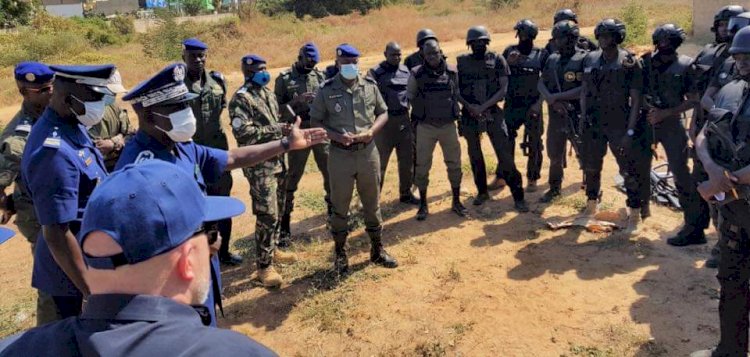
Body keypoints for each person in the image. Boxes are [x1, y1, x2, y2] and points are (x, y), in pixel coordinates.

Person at [116, 63, 327, 322]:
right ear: (149, 117)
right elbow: (141, 245)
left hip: (200, 266)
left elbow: (230, 157)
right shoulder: (137, 168)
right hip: (171, 288)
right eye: (178, 107)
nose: (188, 112)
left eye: (187, 104)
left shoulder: (180, 146)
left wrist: (285, 144)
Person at [0, 161, 277, 356]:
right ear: (187, 260)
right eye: (209, 233)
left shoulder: (14, 348)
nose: (214, 243)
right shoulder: (240, 352)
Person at [21, 64, 115, 325]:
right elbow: (57, 232)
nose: (100, 105)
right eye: (95, 98)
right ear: (66, 98)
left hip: (88, 259)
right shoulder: (53, 151)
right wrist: (90, 289)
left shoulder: (72, 124)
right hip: (70, 279)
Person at [310, 44, 398, 275]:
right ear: (337, 63)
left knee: (372, 203)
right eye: (346, 62)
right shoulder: (326, 89)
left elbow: (383, 112)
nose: (351, 66)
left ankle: (377, 250)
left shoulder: (369, 86)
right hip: (340, 155)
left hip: (368, 153)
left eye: (354, 62)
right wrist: (336, 135)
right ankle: (340, 254)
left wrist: (372, 131)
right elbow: (315, 121)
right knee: (340, 207)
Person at [690, 26, 750, 357]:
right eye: (739, 56)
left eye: (749, 57)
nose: (742, 62)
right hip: (734, 213)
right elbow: (703, 135)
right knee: (731, 285)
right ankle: (730, 350)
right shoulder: (730, 90)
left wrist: (728, 180)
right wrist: (713, 170)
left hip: (736, 193)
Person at [230, 54, 299, 287]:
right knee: (267, 213)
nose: (265, 72)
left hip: (278, 161)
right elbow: (244, 134)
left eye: (266, 67)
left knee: (278, 209)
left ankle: (274, 249)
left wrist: (284, 128)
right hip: (260, 165)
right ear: (248, 72)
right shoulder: (241, 99)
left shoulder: (268, 94)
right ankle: (264, 267)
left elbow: (273, 123)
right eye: (260, 69)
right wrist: (276, 129)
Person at [640, 24, 705, 246]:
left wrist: (666, 112)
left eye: (668, 41)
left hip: (671, 125)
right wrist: (647, 108)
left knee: (681, 174)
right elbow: (636, 90)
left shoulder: (686, 65)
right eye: (661, 40)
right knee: (637, 166)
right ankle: (640, 210)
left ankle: (692, 226)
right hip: (648, 122)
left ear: (675, 43)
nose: (663, 45)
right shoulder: (646, 61)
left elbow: (694, 98)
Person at [692, 5, 746, 269]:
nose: (742, 62)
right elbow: (706, 97)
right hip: (724, 145)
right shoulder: (728, 64)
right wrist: (725, 118)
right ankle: (720, 242)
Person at [579, 19, 645, 234]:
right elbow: (584, 91)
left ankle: (635, 213)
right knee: (591, 167)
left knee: (628, 170)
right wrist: (582, 118)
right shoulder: (590, 58)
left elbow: (635, 100)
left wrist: (630, 131)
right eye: (600, 36)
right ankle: (591, 205)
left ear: (618, 38)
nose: (602, 40)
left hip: (619, 123)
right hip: (594, 123)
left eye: (607, 36)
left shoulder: (628, 62)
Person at [181, 38, 241, 266]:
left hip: (217, 151)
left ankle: (223, 251)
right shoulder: (177, 85)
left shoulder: (217, 81)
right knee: (193, 204)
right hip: (190, 153)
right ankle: (196, 254)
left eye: (202, 55)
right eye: (193, 56)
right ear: (184, 56)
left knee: (222, 201)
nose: (198, 60)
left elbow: (221, 108)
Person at [457, 26, 529, 211]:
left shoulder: (497, 59)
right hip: (470, 113)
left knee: (505, 155)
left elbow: (503, 89)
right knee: (475, 155)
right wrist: (470, 106)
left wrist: (484, 106)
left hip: (492, 112)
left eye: (482, 42)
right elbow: (455, 89)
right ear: (469, 44)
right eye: (475, 42)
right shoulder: (461, 62)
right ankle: (482, 192)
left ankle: (518, 196)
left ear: (487, 42)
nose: (479, 45)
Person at [275, 42, 332, 246]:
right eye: (308, 62)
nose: (311, 65)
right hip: (297, 132)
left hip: (318, 130)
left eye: (314, 62)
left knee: (330, 173)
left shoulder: (319, 76)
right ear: (299, 58)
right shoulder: (284, 79)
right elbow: (277, 110)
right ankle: (284, 226)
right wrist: (296, 101)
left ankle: (334, 218)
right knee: (292, 177)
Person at [407, 39, 467, 220]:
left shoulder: (452, 71)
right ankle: (423, 204)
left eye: (435, 53)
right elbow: (409, 97)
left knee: (454, 164)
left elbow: (457, 95)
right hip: (426, 127)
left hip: (448, 126)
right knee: (422, 166)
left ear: (441, 52)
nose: (432, 57)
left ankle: (456, 201)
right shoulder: (416, 74)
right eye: (428, 54)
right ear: (423, 56)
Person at [0, 62, 54, 248]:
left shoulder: (59, 112)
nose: (51, 92)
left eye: (53, 86)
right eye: (43, 90)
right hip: (44, 222)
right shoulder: (18, 137)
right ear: (24, 92)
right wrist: (9, 202)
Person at [536, 20, 588, 203]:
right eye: (556, 39)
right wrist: (550, 98)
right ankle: (554, 188)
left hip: (578, 117)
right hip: (557, 116)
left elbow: (585, 88)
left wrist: (558, 97)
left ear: (572, 38)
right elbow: (541, 82)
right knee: (555, 154)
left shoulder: (585, 58)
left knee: (585, 154)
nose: (557, 42)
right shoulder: (553, 59)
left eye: (561, 38)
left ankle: (591, 190)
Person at [369, 42, 418, 205]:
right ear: (385, 54)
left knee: (406, 161)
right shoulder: (375, 72)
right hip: (384, 123)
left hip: (404, 121)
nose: (396, 57)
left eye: (399, 54)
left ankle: (406, 194)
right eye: (393, 55)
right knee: (379, 164)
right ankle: (373, 199)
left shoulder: (406, 71)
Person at [503, 19, 548, 192]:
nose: (522, 38)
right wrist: (509, 63)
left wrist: (538, 104)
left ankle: (532, 177)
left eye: (525, 35)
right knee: (506, 141)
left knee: (535, 142)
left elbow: (546, 81)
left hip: (533, 104)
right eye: (520, 34)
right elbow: (499, 76)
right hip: (513, 104)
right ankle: (505, 175)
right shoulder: (509, 51)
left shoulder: (541, 54)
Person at [87, 70, 134, 171]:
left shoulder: (115, 108)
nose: (114, 95)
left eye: (115, 93)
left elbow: (131, 135)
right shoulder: (80, 111)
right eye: (110, 92)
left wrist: (113, 143)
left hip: (117, 167)